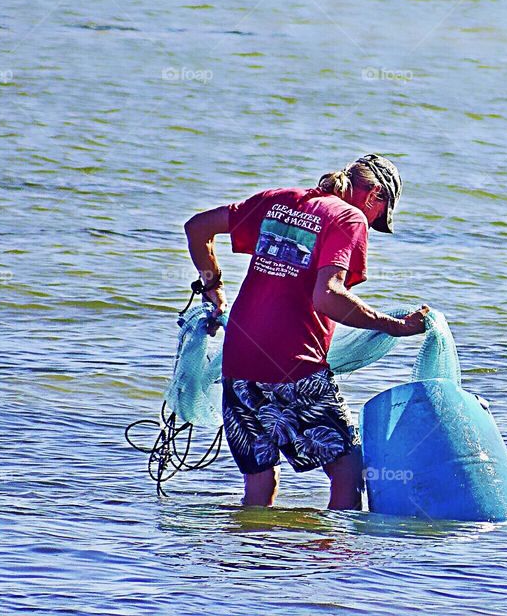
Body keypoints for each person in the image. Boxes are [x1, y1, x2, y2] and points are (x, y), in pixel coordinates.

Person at [184, 154, 429, 510]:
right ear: (374, 194)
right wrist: (394, 326)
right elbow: (328, 296)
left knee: (260, 476)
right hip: (293, 365)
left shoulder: (278, 199)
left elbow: (197, 228)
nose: (372, 223)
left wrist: (213, 287)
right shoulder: (348, 217)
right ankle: (333, 563)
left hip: (238, 363)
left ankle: (253, 556)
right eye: (379, 214)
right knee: (347, 468)